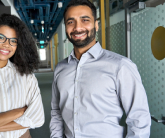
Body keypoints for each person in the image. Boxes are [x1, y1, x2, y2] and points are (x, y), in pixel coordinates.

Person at [50, 0, 151, 138]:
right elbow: (56, 112)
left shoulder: (121, 66)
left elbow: (139, 119)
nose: (77, 27)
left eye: (85, 20)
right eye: (70, 22)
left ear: (96, 25)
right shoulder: (61, 69)